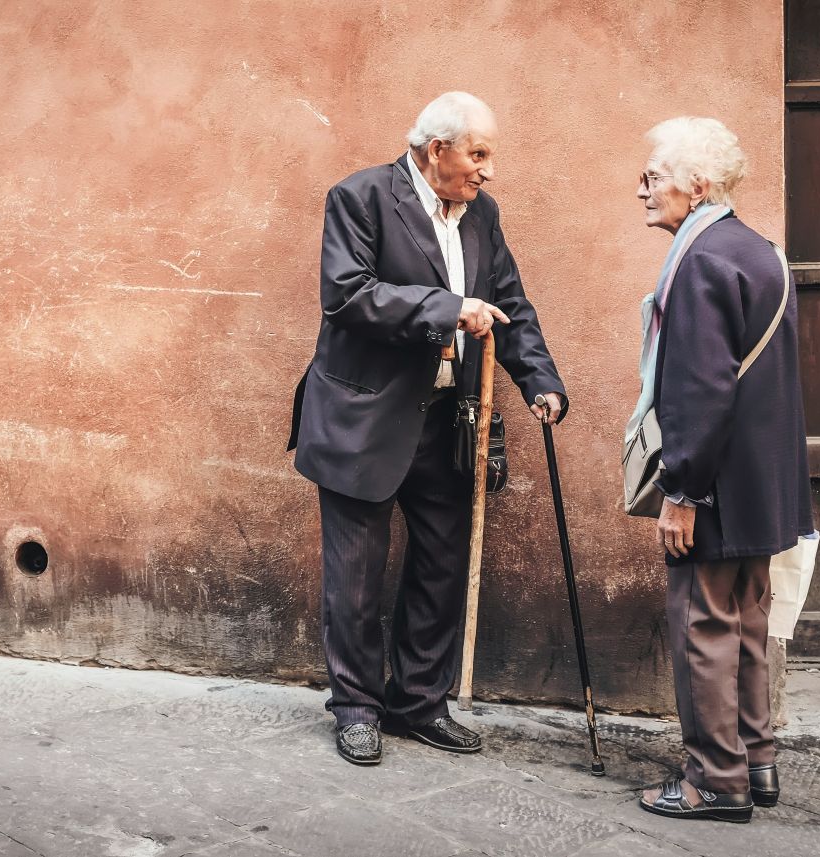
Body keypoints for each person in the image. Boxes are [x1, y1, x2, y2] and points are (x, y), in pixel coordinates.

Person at [287, 92, 568, 765]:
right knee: (354, 577)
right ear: (435, 148)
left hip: (446, 420)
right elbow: (349, 294)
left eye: (488, 155)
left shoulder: (483, 215)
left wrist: (541, 381)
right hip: (363, 418)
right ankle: (356, 706)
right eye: (478, 153)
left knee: (441, 568)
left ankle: (418, 700)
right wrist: (447, 308)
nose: (487, 170)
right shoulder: (360, 198)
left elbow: (510, 303)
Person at [628, 117, 813, 821]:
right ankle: (756, 760)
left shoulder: (700, 258)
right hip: (761, 486)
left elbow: (701, 389)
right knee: (746, 622)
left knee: (704, 624)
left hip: (715, 487)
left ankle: (715, 779)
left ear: (697, 186)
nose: (641, 188)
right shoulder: (761, 250)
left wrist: (683, 491)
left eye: (654, 177)